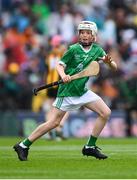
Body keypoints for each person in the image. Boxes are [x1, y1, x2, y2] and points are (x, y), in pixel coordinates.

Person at [13, 21, 117, 161]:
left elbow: (114, 67)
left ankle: (89, 147)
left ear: (94, 36)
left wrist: (109, 62)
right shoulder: (73, 49)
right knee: (53, 123)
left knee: (105, 112)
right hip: (67, 92)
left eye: (87, 33)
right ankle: (23, 145)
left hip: (82, 91)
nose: (84, 35)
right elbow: (60, 65)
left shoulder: (97, 50)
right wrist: (64, 76)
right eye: (82, 32)